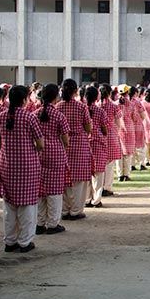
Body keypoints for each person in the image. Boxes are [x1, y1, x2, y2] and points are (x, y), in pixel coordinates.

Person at [0, 85, 44, 253]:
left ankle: (10, 241)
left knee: (9, 207)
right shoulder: (29, 118)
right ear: (24, 100)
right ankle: (25, 242)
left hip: (7, 166)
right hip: (27, 166)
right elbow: (40, 144)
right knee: (28, 206)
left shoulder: (0, 118)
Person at [35, 84, 70, 235]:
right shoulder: (58, 115)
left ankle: (39, 222)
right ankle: (53, 223)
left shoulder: (34, 114)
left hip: (38, 154)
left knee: (40, 190)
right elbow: (65, 139)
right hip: (55, 154)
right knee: (55, 190)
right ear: (56, 97)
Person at [57, 79, 92, 221]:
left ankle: (65, 210)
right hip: (79, 144)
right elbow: (88, 127)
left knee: (64, 179)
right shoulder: (81, 107)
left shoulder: (58, 107)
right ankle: (76, 210)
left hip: (62, 144)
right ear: (75, 91)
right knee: (80, 180)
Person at [84, 86, 109, 208]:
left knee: (87, 172)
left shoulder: (82, 109)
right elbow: (105, 129)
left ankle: (87, 199)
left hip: (85, 143)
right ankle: (96, 200)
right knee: (99, 173)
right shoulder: (100, 111)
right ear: (96, 97)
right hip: (98, 143)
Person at [98, 84, 123, 196]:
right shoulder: (113, 106)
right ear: (109, 93)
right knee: (109, 163)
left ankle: (98, 188)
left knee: (99, 162)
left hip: (98, 135)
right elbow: (118, 122)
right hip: (111, 134)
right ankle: (107, 187)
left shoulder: (96, 105)